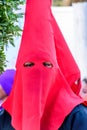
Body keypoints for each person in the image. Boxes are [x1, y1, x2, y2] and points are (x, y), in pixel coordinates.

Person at [2, 0, 87, 130]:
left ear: (56, 72)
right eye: (28, 65)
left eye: (47, 65)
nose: (37, 72)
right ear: (19, 71)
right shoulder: (5, 118)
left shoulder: (76, 116)